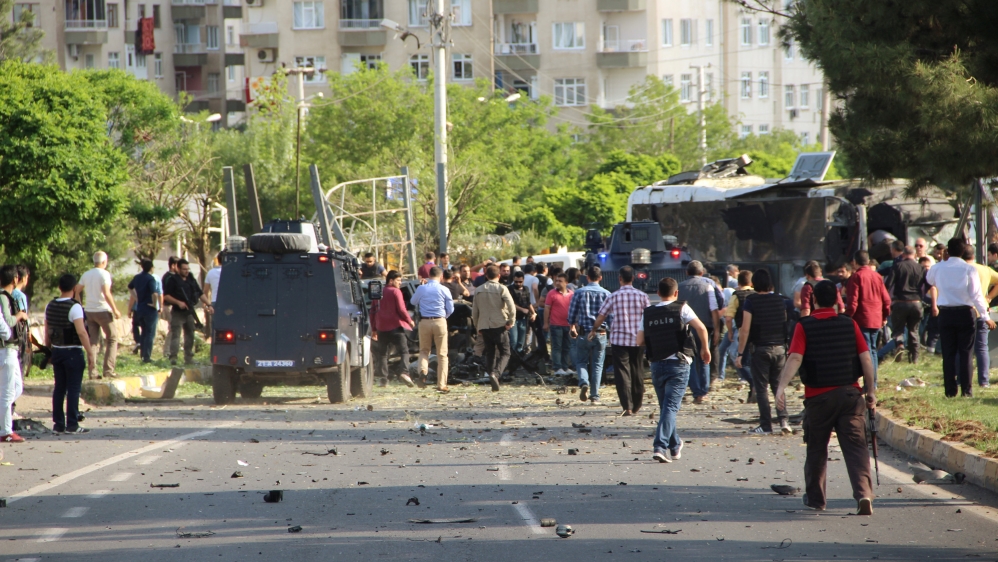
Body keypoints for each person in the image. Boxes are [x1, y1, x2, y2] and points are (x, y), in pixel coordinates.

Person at [774, 280, 876, 515]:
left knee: (817, 449)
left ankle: (816, 499)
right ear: (837, 299)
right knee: (856, 448)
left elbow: (795, 358)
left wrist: (781, 388)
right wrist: (870, 391)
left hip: (818, 399)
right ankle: (864, 494)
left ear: (813, 300)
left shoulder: (804, 326)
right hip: (850, 395)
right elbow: (866, 359)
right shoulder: (849, 324)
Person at [637, 277, 711, 463]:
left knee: (666, 409)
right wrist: (705, 348)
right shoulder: (682, 308)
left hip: (656, 365)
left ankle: (675, 445)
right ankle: (660, 446)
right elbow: (701, 328)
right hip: (678, 364)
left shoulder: (648, 313)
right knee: (670, 408)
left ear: (658, 293)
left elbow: (639, 341)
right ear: (676, 293)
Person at [927, 238, 994, 397]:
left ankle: (950, 390)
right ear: (964, 252)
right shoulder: (969, 269)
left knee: (948, 353)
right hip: (965, 313)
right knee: (966, 353)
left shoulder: (938, 268)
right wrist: (985, 316)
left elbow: (929, 280)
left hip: (946, 313)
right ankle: (966, 390)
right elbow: (976, 295)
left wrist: (942, 262)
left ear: (946, 251)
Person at [735, 268, 795, 435]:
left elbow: (745, 329)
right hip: (780, 348)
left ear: (754, 284)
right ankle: (784, 420)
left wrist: (740, 353)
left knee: (761, 388)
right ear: (770, 284)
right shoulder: (781, 300)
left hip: (760, 349)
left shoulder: (751, 301)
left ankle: (766, 425)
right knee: (778, 386)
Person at [589, 266, 650, 415]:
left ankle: (627, 406)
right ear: (633, 278)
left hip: (619, 340)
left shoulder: (613, 296)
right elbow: (649, 316)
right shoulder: (642, 296)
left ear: (620, 278)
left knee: (622, 373)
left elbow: (602, 316)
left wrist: (594, 329)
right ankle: (637, 404)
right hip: (638, 339)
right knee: (637, 371)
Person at [45, 274, 96, 435]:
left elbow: (48, 331)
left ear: (59, 287)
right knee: (73, 389)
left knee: (59, 388)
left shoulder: (50, 305)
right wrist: (90, 353)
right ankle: (72, 424)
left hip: (57, 350)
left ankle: (58, 424)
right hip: (73, 351)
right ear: (75, 288)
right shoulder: (75, 307)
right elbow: (81, 332)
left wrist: (48, 350)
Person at [677, 261, 722, 404]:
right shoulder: (708, 286)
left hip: (685, 328)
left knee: (689, 360)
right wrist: (716, 329)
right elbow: (714, 309)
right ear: (702, 273)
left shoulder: (679, 287)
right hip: (705, 327)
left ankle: (695, 390)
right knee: (704, 358)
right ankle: (703, 393)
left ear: (686, 273)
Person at [845, 250, 892, 387]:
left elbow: (853, 302)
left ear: (855, 262)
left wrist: (847, 316)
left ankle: (870, 383)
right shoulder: (877, 276)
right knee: (872, 350)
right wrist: (884, 316)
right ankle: (873, 381)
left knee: (865, 351)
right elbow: (886, 299)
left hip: (862, 318)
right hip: (876, 318)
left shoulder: (856, 277)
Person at [568, 266, 611, 405]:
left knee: (581, 361)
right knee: (598, 365)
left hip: (583, 333)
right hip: (600, 333)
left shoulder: (579, 292)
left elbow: (571, 314)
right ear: (600, 278)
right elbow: (610, 316)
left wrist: (572, 326)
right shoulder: (606, 294)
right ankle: (595, 396)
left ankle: (583, 382)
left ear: (587, 278)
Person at [75, 251, 122, 379]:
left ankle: (92, 372)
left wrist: (79, 305)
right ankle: (108, 370)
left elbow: (76, 290)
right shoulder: (105, 274)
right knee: (112, 338)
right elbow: (106, 293)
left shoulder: (86, 274)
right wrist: (115, 309)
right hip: (103, 310)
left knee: (93, 342)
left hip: (89, 311)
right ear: (104, 262)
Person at [472, 265, 516, 392]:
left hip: (484, 325)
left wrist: (477, 326)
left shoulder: (478, 290)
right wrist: (510, 321)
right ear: (499, 275)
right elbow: (511, 307)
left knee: (490, 352)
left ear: (486, 275)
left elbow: (475, 311)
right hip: (499, 324)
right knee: (505, 352)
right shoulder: (502, 288)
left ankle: (491, 375)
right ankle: (495, 374)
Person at [410, 266, 454, 391]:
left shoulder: (422, 288)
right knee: (442, 354)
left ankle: (423, 371)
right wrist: (443, 316)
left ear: (428, 276)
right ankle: (441, 384)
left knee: (424, 351)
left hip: (425, 321)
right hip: (440, 321)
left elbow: (413, 302)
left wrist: (421, 287)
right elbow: (451, 308)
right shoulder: (444, 289)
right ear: (441, 277)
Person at [370, 270, 415, 387]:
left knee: (383, 355)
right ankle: (404, 372)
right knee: (404, 351)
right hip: (395, 327)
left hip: (381, 328)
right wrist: (409, 321)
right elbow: (401, 309)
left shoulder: (378, 292)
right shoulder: (396, 292)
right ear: (391, 280)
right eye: (398, 280)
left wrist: (374, 329)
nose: (400, 283)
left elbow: (373, 311)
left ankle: (383, 380)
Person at [163, 259, 210, 366]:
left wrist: (208, 304)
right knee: (176, 335)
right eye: (184, 269)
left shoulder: (191, 279)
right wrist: (178, 302)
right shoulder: (172, 279)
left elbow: (199, 293)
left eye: (188, 269)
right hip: (178, 312)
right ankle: (173, 357)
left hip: (189, 312)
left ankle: (188, 357)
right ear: (178, 268)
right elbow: (166, 296)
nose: (186, 271)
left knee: (190, 335)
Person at [0, 266, 28, 442]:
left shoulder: (8, 297)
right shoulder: (3, 297)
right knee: (8, 392)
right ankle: (5, 432)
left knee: (16, 388)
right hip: (6, 348)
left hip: (11, 349)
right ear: (15, 279)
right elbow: (7, 322)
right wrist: (19, 316)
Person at [965, 245, 998, 387]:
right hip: (983, 309)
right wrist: (989, 297)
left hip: (965, 310)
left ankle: (963, 379)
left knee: (964, 347)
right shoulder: (985, 269)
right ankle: (984, 381)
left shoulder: (962, 269)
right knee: (982, 347)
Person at [885, 246, 925, 364]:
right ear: (915, 255)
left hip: (900, 303)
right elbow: (928, 284)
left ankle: (900, 344)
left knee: (898, 329)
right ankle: (914, 358)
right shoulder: (921, 268)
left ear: (903, 254)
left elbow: (888, 285)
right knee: (914, 330)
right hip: (916, 303)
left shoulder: (897, 266)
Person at [721, 269, 754, 395]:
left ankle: (753, 384)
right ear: (751, 283)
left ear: (738, 282)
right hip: (759, 334)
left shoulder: (736, 295)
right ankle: (756, 387)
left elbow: (728, 318)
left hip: (742, 332)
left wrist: (729, 332)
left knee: (741, 362)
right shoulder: (756, 294)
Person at [127, 259, 161, 363]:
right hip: (149, 309)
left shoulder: (137, 277)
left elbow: (130, 287)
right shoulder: (150, 278)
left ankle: (142, 355)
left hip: (140, 308)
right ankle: (147, 357)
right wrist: (155, 304)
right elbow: (155, 293)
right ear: (151, 268)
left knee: (144, 332)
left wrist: (136, 298)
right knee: (150, 333)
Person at [544, 273, 575, 376]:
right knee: (557, 347)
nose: (557, 283)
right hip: (556, 324)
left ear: (566, 283)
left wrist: (574, 324)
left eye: (560, 281)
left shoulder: (571, 294)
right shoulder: (551, 293)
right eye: (556, 281)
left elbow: (574, 310)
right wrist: (545, 323)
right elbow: (547, 308)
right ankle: (558, 368)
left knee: (567, 347)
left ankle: (565, 367)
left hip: (568, 325)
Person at [508, 271, 534, 353]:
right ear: (513, 280)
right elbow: (510, 303)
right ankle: (512, 358)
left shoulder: (526, 288)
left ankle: (519, 360)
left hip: (523, 318)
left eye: (520, 282)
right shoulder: (510, 289)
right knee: (514, 341)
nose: (518, 283)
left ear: (523, 280)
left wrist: (533, 313)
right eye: (516, 282)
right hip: (513, 318)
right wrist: (522, 309)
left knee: (521, 342)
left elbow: (528, 302)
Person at [161, 256, 179, 356]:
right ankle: (167, 352)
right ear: (173, 266)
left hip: (172, 306)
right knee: (172, 328)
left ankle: (171, 350)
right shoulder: (168, 277)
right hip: (168, 306)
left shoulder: (174, 277)